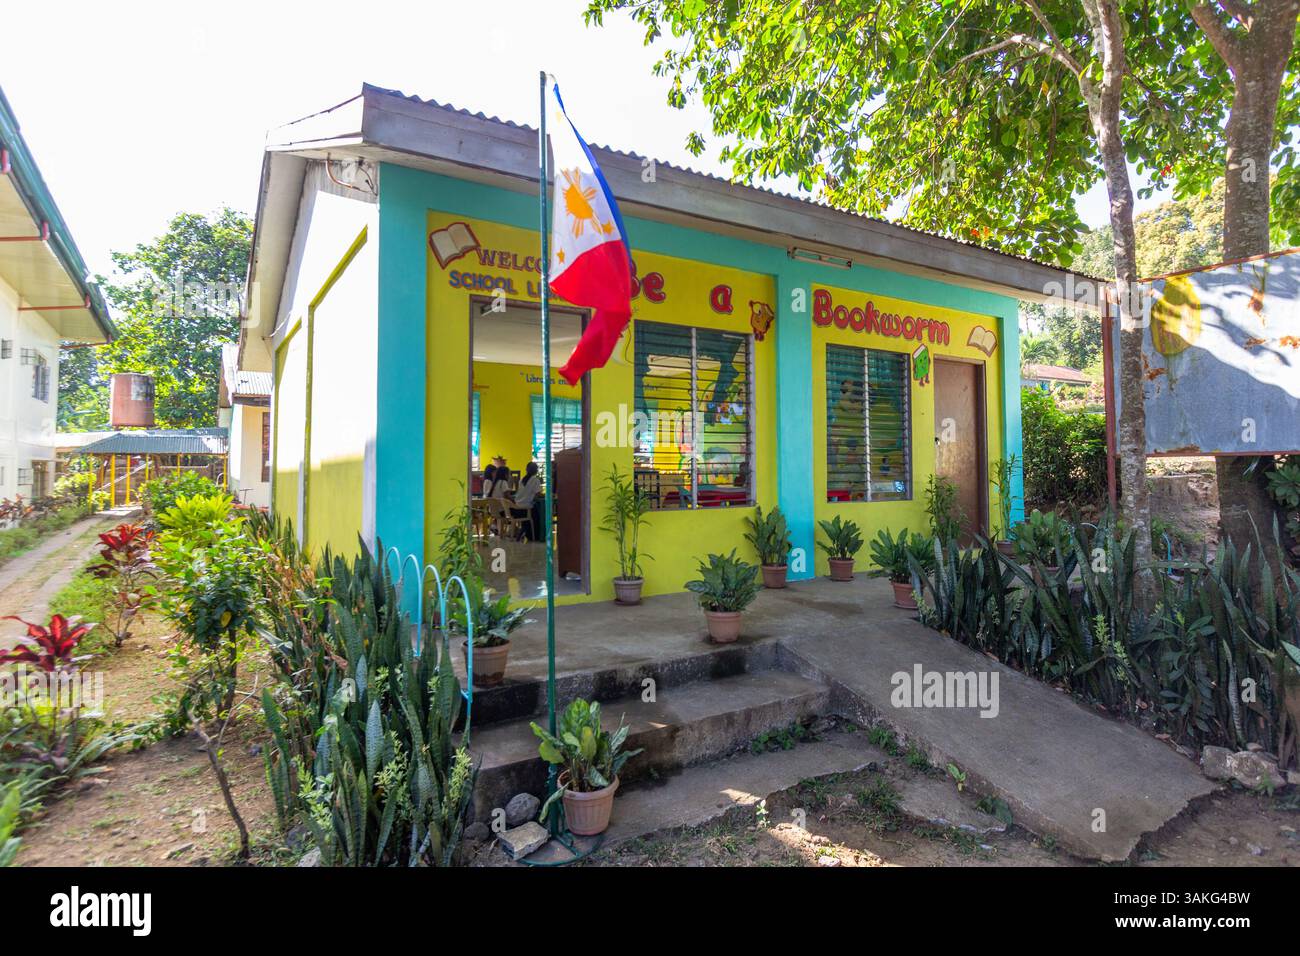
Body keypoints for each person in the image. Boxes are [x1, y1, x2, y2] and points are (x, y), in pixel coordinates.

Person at [510, 462, 544, 541]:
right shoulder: (535, 480)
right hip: (526, 509)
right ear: (536, 471)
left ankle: (525, 531)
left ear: (526, 470)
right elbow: (538, 494)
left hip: (517, 507)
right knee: (538, 511)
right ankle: (536, 535)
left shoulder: (522, 479)